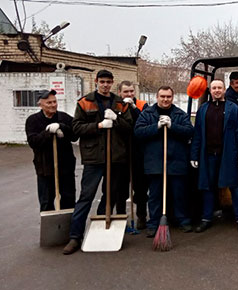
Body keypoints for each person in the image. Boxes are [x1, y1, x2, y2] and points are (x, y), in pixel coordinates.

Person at [64, 70, 133, 255]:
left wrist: (116, 119)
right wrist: (99, 125)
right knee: (86, 196)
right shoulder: (85, 102)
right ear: (96, 82)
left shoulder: (120, 103)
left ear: (112, 83)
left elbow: (129, 128)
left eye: (108, 82)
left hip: (115, 157)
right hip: (94, 157)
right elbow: (76, 128)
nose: (105, 85)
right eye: (102, 81)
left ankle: (101, 230)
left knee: (109, 196)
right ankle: (75, 236)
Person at [191, 79, 238, 233]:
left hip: (228, 155)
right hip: (208, 155)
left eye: (219, 88)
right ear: (210, 91)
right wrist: (194, 155)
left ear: (224, 90)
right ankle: (206, 218)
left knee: (234, 186)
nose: (217, 90)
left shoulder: (233, 109)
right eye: (214, 88)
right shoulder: (203, 110)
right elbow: (197, 134)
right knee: (208, 187)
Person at [135, 86, 194, 237]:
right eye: (162, 96)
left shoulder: (180, 114)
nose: (165, 99)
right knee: (155, 195)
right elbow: (139, 132)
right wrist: (157, 127)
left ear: (172, 97)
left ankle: (183, 220)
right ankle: (154, 223)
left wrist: (172, 126)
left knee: (179, 193)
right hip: (155, 162)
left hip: (176, 161)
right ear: (157, 96)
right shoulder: (147, 114)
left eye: (168, 96)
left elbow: (189, 132)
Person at [25, 90, 77, 212]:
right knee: (46, 201)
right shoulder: (33, 120)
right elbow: (33, 142)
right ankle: (50, 230)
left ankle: (67, 228)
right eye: (49, 103)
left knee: (68, 200)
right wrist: (48, 133)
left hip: (65, 167)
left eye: (54, 101)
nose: (53, 105)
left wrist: (62, 127)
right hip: (45, 168)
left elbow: (75, 136)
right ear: (40, 104)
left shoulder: (63, 117)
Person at [118, 81, 149, 229]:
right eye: (126, 92)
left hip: (139, 151)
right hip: (121, 151)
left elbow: (146, 120)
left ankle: (141, 216)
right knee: (121, 186)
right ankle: (121, 216)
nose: (129, 95)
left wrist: (134, 107)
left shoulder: (143, 105)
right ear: (120, 93)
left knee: (141, 186)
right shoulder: (116, 105)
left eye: (131, 91)